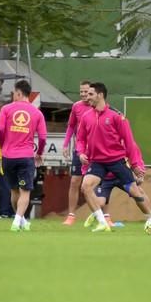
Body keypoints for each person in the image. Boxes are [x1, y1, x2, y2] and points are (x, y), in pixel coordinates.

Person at [76, 82, 150, 233]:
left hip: (117, 162)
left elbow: (130, 142)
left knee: (136, 193)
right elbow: (80, 139)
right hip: (97, 162)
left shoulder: (116, 117)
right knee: (86, 187)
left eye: (90, 94)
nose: (86, 97)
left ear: (100, 95)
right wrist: (81, 152)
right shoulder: (86, 117)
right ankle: (102, 222)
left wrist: (136, 165)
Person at [0, 80, 47, 232]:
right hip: (25, 157)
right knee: (25, 191)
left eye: (13, 94)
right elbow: (43, 137)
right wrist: (39, 153)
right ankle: (17, 221)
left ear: (18, 93)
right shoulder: (37, 113)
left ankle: (21, 220)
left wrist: (4, 144)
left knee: (14, 191)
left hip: (7, 157)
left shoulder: (6, 109)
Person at [84, 141, 151, 227]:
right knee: (100, 203)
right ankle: (96, 215)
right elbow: (89, 157)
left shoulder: (127, 142)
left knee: (138, 193)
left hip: (121, 176)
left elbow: (136, 157)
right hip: (105, 178)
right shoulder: (100, 141)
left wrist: (140, 174)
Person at [61, 80, 92, 226]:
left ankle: (104, 216)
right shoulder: (76, 106)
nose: (84, 94)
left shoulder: (97, 106)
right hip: (79, 151)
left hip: (96, 151)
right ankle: (71, 215)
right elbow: (71, 126)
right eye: (81, 91)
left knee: (98, 183)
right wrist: (65, 144)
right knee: (75, 182)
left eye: (86, 91)